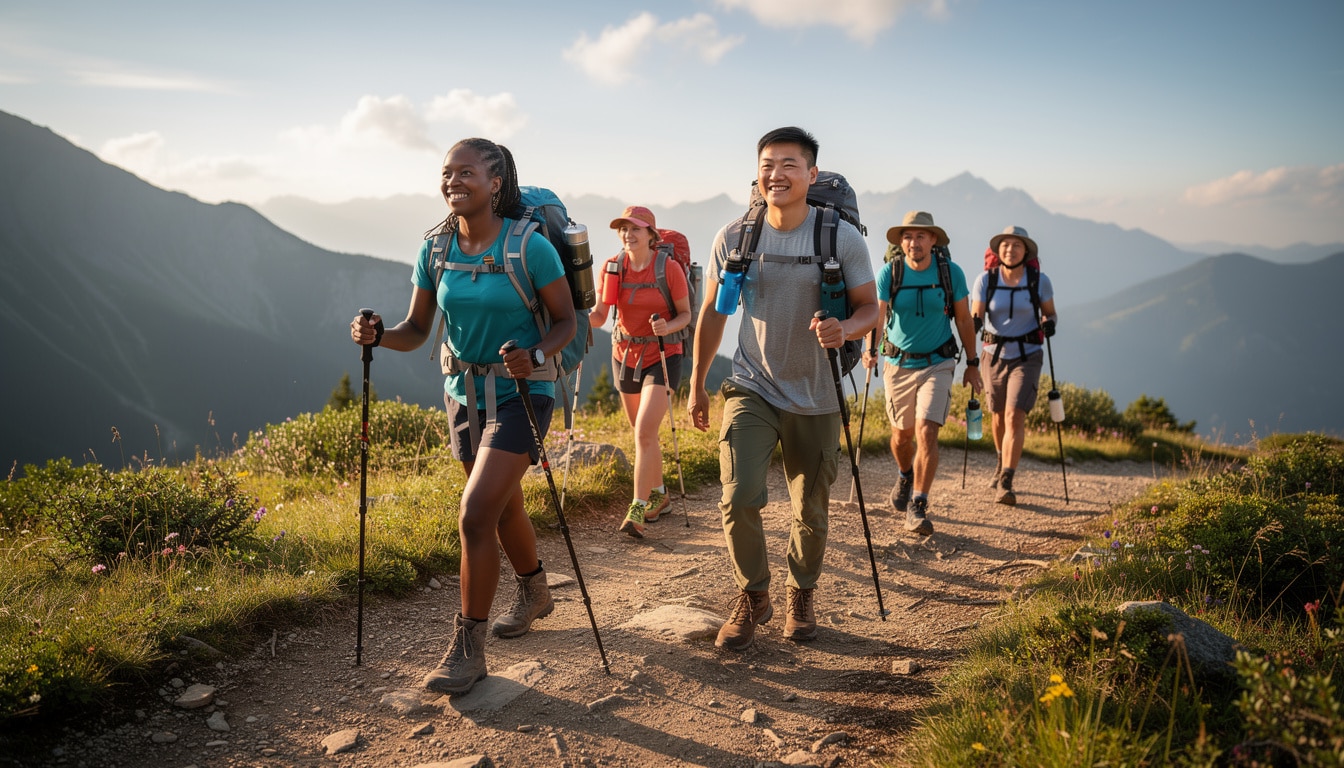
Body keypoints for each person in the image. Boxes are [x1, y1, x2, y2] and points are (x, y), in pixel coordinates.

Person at [350, 138, 576, 696]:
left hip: (523, 393)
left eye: (466, 172)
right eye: (447, 173)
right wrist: (379, 337)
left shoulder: (530, 247)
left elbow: (567, 320)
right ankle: (535, 591)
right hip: (462, 395)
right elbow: (417, 329)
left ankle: (468, 648)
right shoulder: (435, 248)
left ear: (495, 183)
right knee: (501, 508)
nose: (453, 181)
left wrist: (538, 355)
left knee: (475, 513)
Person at [689, 126, 878, 650]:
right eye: (768, 164)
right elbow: (712, 311)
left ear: (812, 174)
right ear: (758, 173)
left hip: (818, 392)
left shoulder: (840, 238)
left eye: (790, 165)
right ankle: (753, 595)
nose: (777, 174)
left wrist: (849, 330)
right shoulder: (736, 237)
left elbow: (869, 307)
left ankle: (801, 591)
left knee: (809, 508)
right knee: (737, 494)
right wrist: (698, 384)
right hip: (752, 384)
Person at [866, 211, 981, 536]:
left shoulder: (950, 273)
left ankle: (918, 503)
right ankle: (905, 473)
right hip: (898, 363)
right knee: (902, 436)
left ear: (933, 240)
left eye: (920, 236)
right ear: (900, 242)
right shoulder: (891, 272)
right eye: (907, 237)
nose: (912, 242)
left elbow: (963, 320)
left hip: (938, 362)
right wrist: (869, 349)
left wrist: (972, 364)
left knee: (927, 432)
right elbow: (877, 317)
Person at [589, 205, 693, 538]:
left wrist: (667, 326)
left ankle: (636, 510)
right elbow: (601, 315)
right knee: (642, 434)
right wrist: (572, 318)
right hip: (624, 354)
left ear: (651, 234)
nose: (628, 235)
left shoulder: (668, 268)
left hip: (663, 355)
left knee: (645, 433)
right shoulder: (613, 268)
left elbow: (686, 316)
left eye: (635, 229)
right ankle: (660, 496)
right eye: (623, 229)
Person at [970, 225, 1057, 505]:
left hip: (1028, 355)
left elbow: (1051, 313)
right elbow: (976, 314)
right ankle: (1000, 460)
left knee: (1014, 414)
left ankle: (1007, 479)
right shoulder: (985, 280)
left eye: (1016, 245)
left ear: (1025, 251)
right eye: (1005, 245)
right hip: (993, 354)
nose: (1010, 249)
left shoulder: (1039, 281)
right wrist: (971, 323)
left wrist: (1049, 323)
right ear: (999, 250)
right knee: (996, 415)